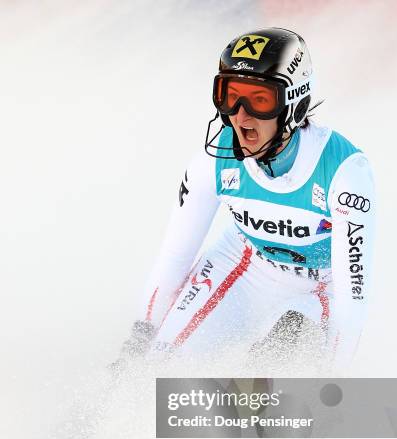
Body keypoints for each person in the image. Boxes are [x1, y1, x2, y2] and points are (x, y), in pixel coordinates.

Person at [121, 27, 375, 373]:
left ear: (293, 104)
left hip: (320, 288)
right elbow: (175, 256)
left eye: (259, 100)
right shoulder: (212, 162)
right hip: (245, 266)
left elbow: (351, 296)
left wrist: (333, 380)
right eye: (230, 96)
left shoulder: (346, 173)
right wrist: (137, 343)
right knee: (155, 373)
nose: (240, 117)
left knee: (262, 379)